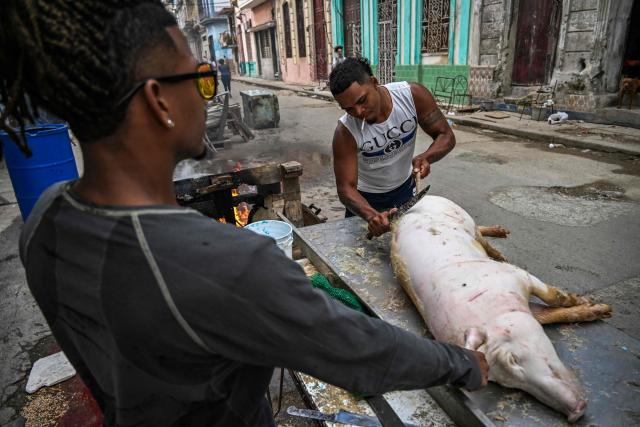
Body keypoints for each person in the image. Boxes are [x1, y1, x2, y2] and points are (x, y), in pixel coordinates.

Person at [0, 2, 488, 426]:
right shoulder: (227, 265)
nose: (209, 92)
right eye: (201, 77)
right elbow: (362, 353)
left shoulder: (43, 221)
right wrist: (462, 363)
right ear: (159, 101)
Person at [330, 57, 456, 237]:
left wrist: (426, 157)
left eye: (362, 100)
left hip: (405, 191)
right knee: (359, 257)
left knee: (411, 248)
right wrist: (372, 216)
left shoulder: (412, 96)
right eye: (348, 109)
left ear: (374, 82)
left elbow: (446, 136)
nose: (358, 112)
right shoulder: (345, 133)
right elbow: (346, 189)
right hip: (365, 200)